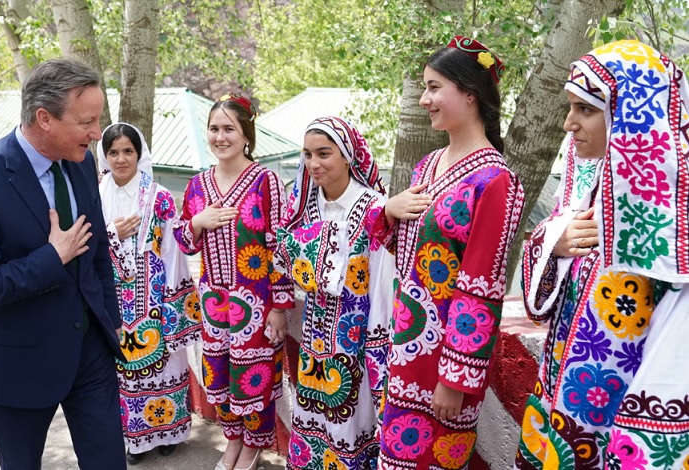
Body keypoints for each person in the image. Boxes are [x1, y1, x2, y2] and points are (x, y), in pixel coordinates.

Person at [0, 59, 126, 469]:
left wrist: (111, 319)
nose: (98, 133)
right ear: (44, 118)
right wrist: (50, 258)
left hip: (89, 351)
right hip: (16, 363)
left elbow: (97, 249)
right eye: (87, 122)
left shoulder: (82, 162)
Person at [516, 40, 689, 469]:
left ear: (630, 115)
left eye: (585, 109)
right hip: (558, 405)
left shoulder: (674, 215)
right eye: (570, 107)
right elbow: (550, 248)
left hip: (620, 421)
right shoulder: (591, 188)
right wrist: (554, 241)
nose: (568, 123)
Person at [372, 36, 525, 469]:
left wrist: (456, 377)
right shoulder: (429, 164)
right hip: (405, 347)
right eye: (425, 87)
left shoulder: (495, 181)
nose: (424, 99)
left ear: (470, 94)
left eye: (434, 87)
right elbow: (408, 255)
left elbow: (482, 285)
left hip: (445, 362)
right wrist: (388, 210)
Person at [173, 93, 294, 470]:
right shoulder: (197, 185)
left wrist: (279, 306)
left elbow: (280, 245)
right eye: (214, 129)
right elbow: (184, 240)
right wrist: (197, 222)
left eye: (229, 129)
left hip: (256, 303)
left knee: (253, 377)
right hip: (214, 303)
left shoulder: (266, 181)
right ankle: (233, 441)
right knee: (220, 375)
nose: (220, 136)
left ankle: (253, 445)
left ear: (246, 135)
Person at [274, 117, 393, 470]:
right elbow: (281, 256)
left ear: (347, 156)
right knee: (313, 420)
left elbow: (383, 284)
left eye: (324, 153)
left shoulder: (374, 208)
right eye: (308, 154)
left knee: (352, 424)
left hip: (359, 342)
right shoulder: (305, 206)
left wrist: (377, 347)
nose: (314, 163)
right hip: (314, 338)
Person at [97, 123, 203, 464]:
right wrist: (111, 233)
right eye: (114, 152)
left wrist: (174, 304)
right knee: (125, 370)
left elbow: (173, 251)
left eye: (128, 151)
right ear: (105, 156)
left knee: (165, 364)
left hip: (157, 296)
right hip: (114, 299)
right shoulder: (95, 195)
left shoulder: (159, 197)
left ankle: (170, 432)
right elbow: (87, 245)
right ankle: (135, 439)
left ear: (139, 154)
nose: (121, 159)